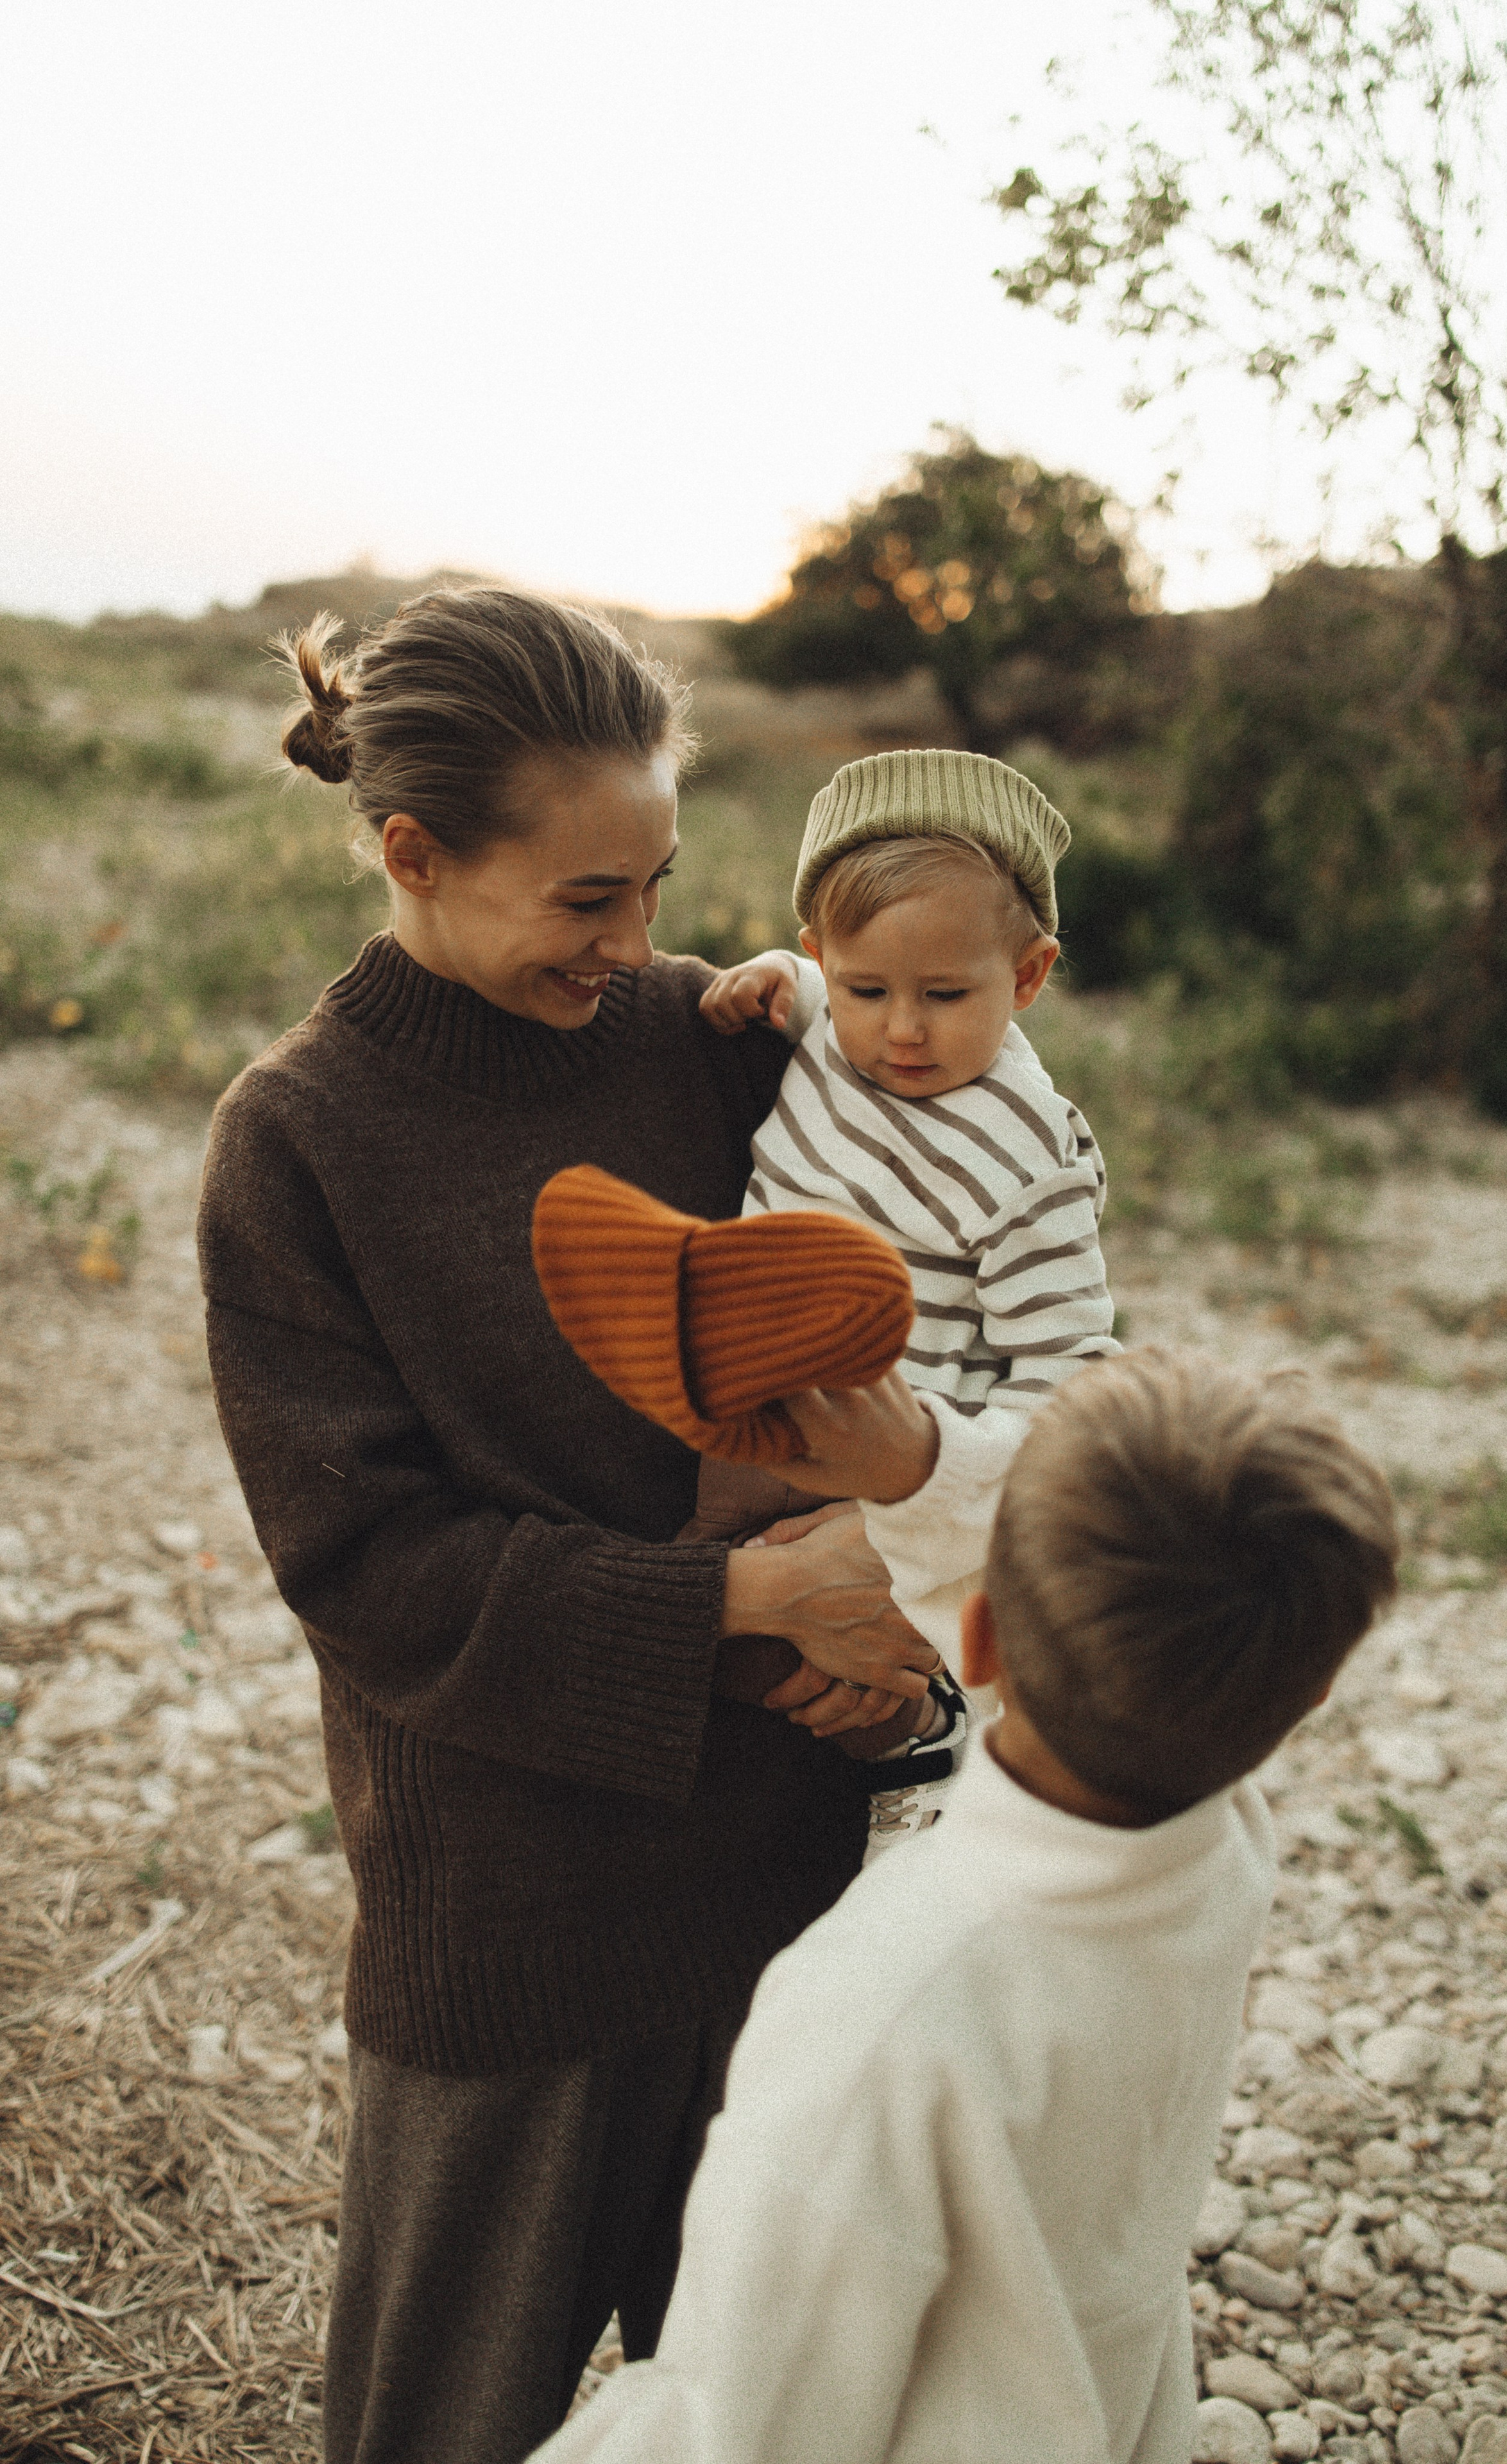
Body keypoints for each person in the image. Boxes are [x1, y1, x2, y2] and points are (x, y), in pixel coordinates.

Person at [194, 586, 944, 2464]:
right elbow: (364, 1570)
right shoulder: (296, 1142)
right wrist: (738, 1603)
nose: (644, 945)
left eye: (663, 884)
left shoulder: (713, 1040)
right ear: (414, 855)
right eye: (588, 901)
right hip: (515, 1924)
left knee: (782, 2425)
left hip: (791, 1880)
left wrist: (897, 1612)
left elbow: (931, 1314)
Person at [530, 1348, 1400, 2464]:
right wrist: (921, 1470)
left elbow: (735, 2427)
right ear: (1314, 1691)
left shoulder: (884, 2000)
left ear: (970, 1636)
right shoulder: (1220, 1848)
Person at [695, 749, 1121, 1847]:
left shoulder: (1029, 1157)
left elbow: (1067, 1369)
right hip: (751, 1407)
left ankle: (932, 1751)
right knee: (714, 1614)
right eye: (867, 990)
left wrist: (936, 1483)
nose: (901, 1032)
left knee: (871, 1651)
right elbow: (796, 990)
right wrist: (763, 980)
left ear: (1027, 978)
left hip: (896, 1462)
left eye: (946, 995)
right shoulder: (826, 1020)